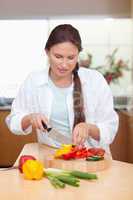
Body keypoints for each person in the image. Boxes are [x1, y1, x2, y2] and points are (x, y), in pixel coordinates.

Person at [6, 24, 118, 154]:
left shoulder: (95, 80)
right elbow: (13, 120)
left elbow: (110, 128)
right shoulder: (33, 81)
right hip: (52, 157)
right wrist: (30, 118)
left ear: (78, 55)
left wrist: (88, 128)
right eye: (58, 56)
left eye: (71, 58)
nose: (64, 64)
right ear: (47, 52)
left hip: (91, 157)